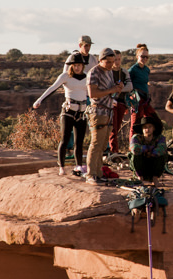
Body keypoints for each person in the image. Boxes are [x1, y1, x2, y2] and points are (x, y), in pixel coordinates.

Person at [32, 51, 93, 174]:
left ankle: (79, 166)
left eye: (79, 65)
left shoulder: (87, 76)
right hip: (68, 112)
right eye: (74, 65)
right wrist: (40, 100)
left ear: (83, 65)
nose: (77, 67)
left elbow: (93, 93)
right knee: (65, 139)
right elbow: (52, 88)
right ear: (71, 65)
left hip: (81, 113)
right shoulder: (65, 76)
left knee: (79, 142)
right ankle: (62, 167)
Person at [86, 48, 127, 182]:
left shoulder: (109, 72)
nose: (111, 64)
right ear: (100, 60)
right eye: (108, 62)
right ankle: (91, 175)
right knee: (96, 144)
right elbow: (93, 93)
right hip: (98, 112)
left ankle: (98, 174)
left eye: (113, 61)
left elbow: (110, 92)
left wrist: (117, 88)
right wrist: (112, 89)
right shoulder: (94, 72)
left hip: (109, 111)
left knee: (103, 145)